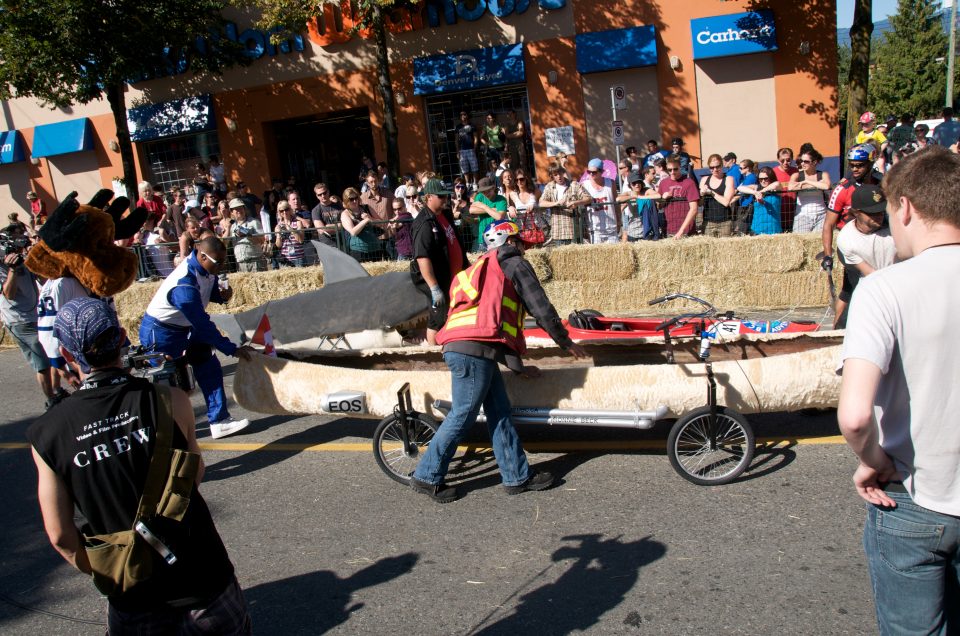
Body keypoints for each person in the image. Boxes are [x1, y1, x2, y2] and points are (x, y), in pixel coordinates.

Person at [26, 297, 251, 634]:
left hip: (132, 594)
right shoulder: (170, 401)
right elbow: (194, 476)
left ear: (69, 355)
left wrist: (109, 569)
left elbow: (60, 535)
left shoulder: (47, 434)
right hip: (204, 580)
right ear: (120, 338)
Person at [837, 145, 960, 636]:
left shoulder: (883, 289)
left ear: (905, 206)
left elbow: (855, 416)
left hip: (913, 493)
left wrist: (872, 461)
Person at [409, 220, 588, 503]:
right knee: (463, 415)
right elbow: (539, 305)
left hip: (470, 349)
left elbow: (489, 326)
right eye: (521, 244)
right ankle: (426, 475)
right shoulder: (513, 264)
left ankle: (516, 477)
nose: (525, 251)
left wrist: (518, 367)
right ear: (509, 242)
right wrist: (565, 341)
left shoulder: (478, 270)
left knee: (499, 411)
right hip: (472, 353)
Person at [139, 236, 253, 439]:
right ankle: (161, 430)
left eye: (224, 262)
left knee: (209, 365)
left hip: (186, 326)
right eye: (218, 263)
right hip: (162, 332)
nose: (221, 267)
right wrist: (232, 349)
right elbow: (202, 322)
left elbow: (208, 292)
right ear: (202, 256)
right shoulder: (184, 285)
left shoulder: (207, 268)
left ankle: (219, 421)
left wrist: (221, 296)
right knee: (167, 384)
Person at [1, 223, 60, 408]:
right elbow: (8, 293)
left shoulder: (23, 258)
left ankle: (57, 391)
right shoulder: (3, 265)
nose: (22, 239)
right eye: (18, 236)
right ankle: (50, 399)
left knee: (54, 350)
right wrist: (13, 269)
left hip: (37, 314)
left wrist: (36, 260)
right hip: (19, 320)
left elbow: (43, 278)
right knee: (42, 362)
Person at [824, 145, 882, 327]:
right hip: (851, 244)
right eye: (852, 165)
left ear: (870, 163)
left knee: (847, 289)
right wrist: (828, 254)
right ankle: (839, 329)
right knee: (856, 286)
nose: (855, 169)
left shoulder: (883, 184)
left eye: (860, 165)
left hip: (877, 241)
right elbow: (828, 224)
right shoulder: (842, 190)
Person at [410, 178, 468, 345]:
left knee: (452, 313)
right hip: (437, 277)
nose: (445, 200)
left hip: (451, 275)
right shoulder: (424, 223)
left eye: (446, 196)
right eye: (441, 197)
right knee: (438, 317)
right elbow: (422, 257)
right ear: (428, 197)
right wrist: (434, 287)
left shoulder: (444, 214)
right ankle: (435, 353)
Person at [835, 184, 896, 289]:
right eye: (872, 213)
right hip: (875, 286)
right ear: (856, 212)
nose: (879, 215)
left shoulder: (896, 225)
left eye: (881, 211)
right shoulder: (846, 239)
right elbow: (870, 273)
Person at [538, 162, 590, 246]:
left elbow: (588, 198)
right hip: (559, 230)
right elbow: (541, 203)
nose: (559, 176)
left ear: (563, 172)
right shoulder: (549, 187)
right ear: (552, 176)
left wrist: (576, 202)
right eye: (555, 175)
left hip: (573, 229)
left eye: (560, 173)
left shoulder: (574, 185)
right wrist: (556, 203)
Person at [788, 148, 831, 233]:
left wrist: (806, 182)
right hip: (802, 216)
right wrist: (816, 184)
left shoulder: (823, 174)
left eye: (806, 161)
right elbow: (791, 188)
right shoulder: (796, 175)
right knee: (799, 242)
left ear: (814, 162)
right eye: (801, 161)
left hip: (821, 215)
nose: (802, 164)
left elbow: (826, 186)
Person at [657, 155, 699, 238]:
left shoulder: (689, 182)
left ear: (680, 167)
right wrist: (663, 199)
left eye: (675, 169)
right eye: (669, 170)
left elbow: (694, 209)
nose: (672, 172)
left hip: (687, 231)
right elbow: (659, 206)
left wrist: (681, 231)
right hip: (669, 229)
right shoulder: (663, 183)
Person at [341, 187, 383, 262]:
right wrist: (365, 220)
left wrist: (370, 218)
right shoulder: (345, 214)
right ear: (346, 201)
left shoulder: (366, 208)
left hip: (375, 248)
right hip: (358, 250)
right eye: (351, 199)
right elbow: (353, 232)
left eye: (356, 198)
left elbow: (381, 223)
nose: (355, 201)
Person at [698, 153, 736, 237]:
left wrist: (711, 192)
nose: (715, 169)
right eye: (712, 167)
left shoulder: (728, 179)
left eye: (717, 166)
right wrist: (702, 194)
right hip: (708, 222)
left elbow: (726, 202)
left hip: (725, 222)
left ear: (722, 165)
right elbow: (700, 203)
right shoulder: (704, 180)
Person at [582, 158, 619, 243]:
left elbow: (616, 203)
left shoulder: (610, 183)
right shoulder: (585, 185)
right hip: (594, 229)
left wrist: (619, 220)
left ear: (601, 171)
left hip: (611, 227)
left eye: (594, 172)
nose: (591, 174)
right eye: (589, 172)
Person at [469, 177, 509, 252]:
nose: (486, 194)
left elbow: (499, 217)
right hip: (482, 238)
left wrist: (484, 206)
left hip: (498, 238)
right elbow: (472, 210)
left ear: (493, 188)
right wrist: (493, 210)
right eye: (483, 192)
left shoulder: (501, 199)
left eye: (488, 191)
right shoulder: (480, 196)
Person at [739, 166, 782, 235]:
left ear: (771, 177)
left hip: (774, 229)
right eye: (760, 179)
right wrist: (755, 192)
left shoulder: (776, 188)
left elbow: (777, 184)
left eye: (766, 178)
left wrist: (762, 191)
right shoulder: (757, 187)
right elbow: (740, 188)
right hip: (757, 229)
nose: (763, 181)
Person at [619, 172, 661, 241]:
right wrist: (631, 197)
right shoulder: (629, 193)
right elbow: (618, 199)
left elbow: (658, 195)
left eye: (639, 182)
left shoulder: (646, 191)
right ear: (630, 185)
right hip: (633, 233)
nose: (637, 185)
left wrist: (640, 197)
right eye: (634, 183)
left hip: (647, 232)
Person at [228, 198, 266, 272]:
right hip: (240, 263)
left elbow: (262, 240)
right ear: (232, 212)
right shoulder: (232, 226)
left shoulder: (254, 222)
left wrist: (247, 235)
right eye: (236, 209)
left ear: (244, 209)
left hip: (256, 261)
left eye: (241, 208)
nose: (239, 211)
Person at [275, 201, 306, 267]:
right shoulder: (278, 226)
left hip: (298, 257)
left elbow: (301, 240)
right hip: (285, 259)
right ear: (279, 212)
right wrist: (278, 235)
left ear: (290, 209)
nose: (284, 212)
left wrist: (291, 230)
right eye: (281, 211)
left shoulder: (298, 223)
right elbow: (278, 245)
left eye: (286, 209)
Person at [455, 110, 480, 191]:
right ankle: (468, 184)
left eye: (464, 114)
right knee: (465, 169)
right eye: (461, 115)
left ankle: (475, 184)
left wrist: (474, 148)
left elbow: (476, 138)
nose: (463, 116)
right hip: (462, 151)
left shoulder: (472, 126)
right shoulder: (458, 127)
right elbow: (456, 140)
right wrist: (457, 151)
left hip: (470, 149)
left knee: (474, 167)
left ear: (467, 116)